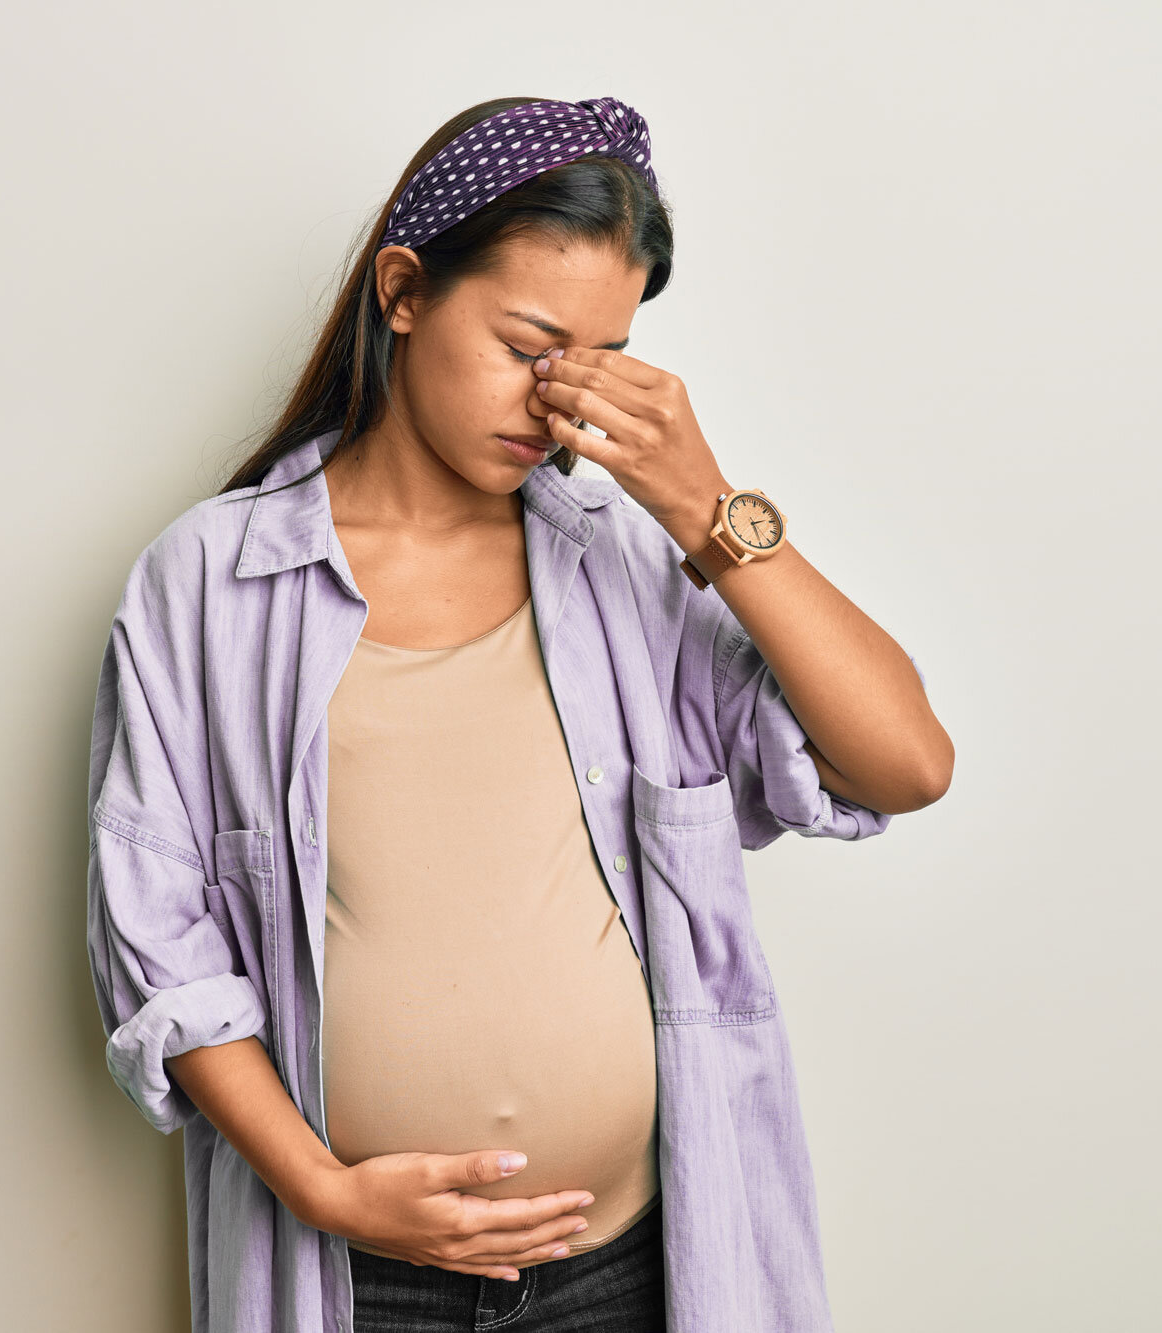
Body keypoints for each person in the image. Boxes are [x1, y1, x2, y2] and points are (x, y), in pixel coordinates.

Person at [86, 94, 953, 1333]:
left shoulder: (624, 566)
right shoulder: (211, 583)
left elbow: (903, 764)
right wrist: (324, 1189)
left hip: (636, 1271)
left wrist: (706, 506)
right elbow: (160, 943)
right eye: (525, 344)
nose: (557, 406)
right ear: (402, 290)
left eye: (590, 365)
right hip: (359, 1282)